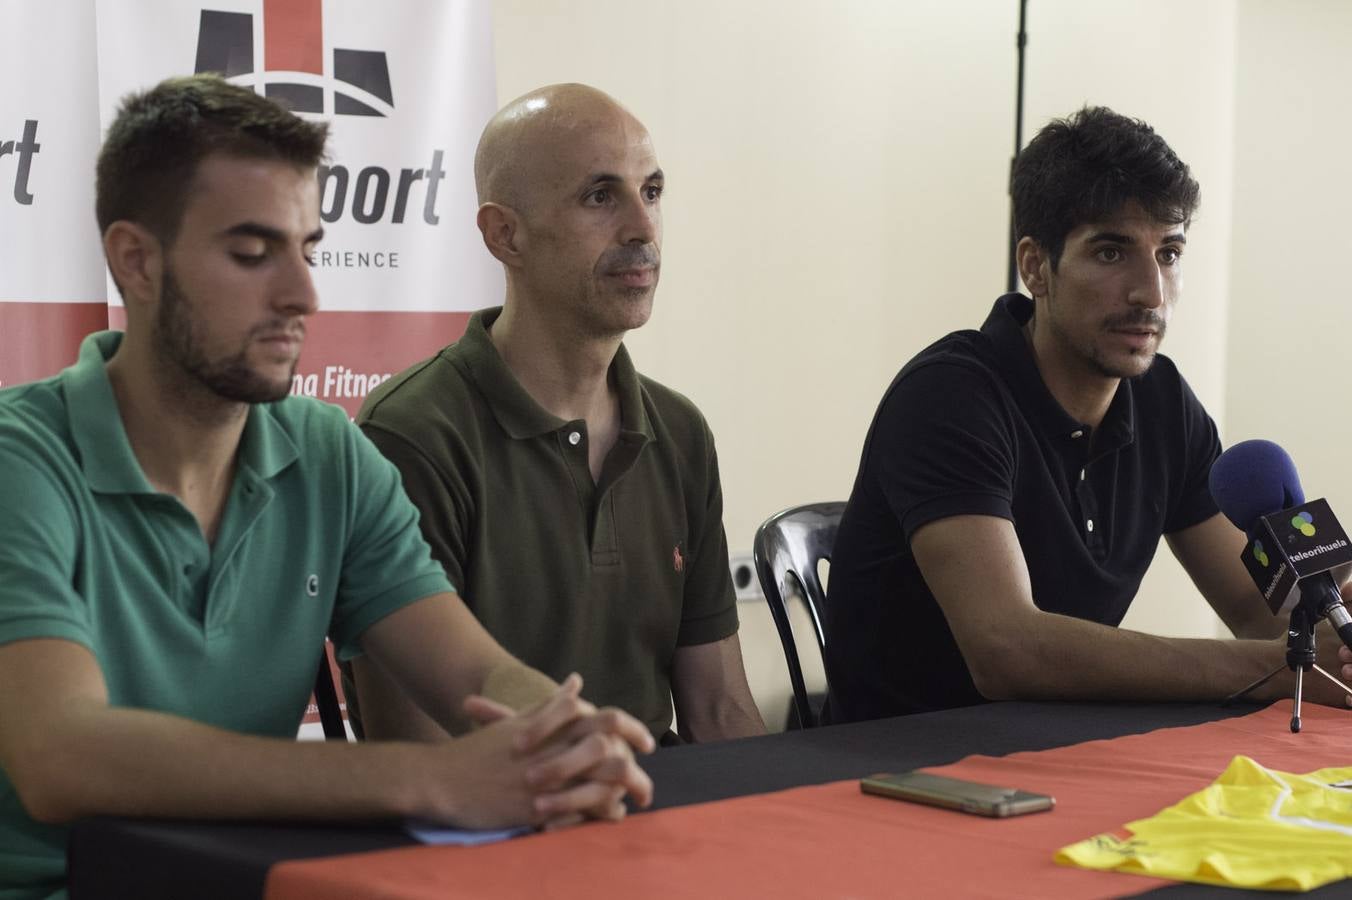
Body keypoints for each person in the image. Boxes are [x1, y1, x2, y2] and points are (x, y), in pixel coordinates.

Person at [0, 74, 654, 900]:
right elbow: (61, 758)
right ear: (136, 261)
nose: (303, 294)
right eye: (251, 253)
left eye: (308, 250)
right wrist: (427, 781)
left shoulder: (327, 455)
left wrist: (566, 732)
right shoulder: (19, 459)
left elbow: (475, 676)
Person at [824, 106, 1350, 722]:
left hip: (1071, 748)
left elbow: (1255, 608)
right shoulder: (949, 396)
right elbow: (1007, 649)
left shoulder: (1162, 403)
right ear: (1035, 267)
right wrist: (1279, 665)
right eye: (1110, 252)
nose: (1151, 292)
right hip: (899, 769)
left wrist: (1329, 623)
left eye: (1170, 254)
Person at [347, 83, 765, 744]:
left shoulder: (679, 431)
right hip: (504, 829)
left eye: (651, 192)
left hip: (663, 823)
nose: (642, 229)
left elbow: (720, 711)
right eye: (600, 196)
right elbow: (418, 752)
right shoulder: (413, 433)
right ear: (504, 234)